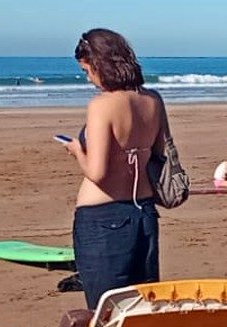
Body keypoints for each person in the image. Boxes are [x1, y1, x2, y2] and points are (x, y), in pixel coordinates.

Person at [63, 28, 165, 310]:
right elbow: (159, 154)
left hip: (102, 214)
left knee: (106, 312)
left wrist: (77, 151)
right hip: (143, 211)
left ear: (99, 64)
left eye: (87, 70)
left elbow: (97, 172)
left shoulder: (102, 105)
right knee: (140, 311)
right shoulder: (152, 100)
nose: (89, 79)